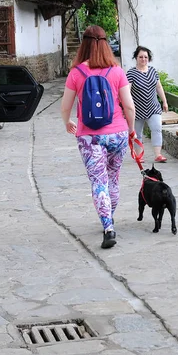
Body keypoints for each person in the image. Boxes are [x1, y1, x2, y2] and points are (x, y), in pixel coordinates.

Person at [60, 25, 136, 249]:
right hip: (118, 132)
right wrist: (131, 130)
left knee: (98, 182)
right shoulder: (117, 71)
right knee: (113, 178)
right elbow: (129, 106)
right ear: (105, 44)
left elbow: (66, 106)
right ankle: (108, 217)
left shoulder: (76, 73)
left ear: (83, 44)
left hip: (89, 136)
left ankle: (108, 226)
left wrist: (68, 122)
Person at [126, 46, 169, 163]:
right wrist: (126, 106)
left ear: (149, 58)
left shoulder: (153, 71)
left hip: (153, 107)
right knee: (137, 134)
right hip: (137, 109)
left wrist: (164, 101)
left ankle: (158, 154)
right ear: (136, 58)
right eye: (141, 57)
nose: (143, 59)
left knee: (157, 129)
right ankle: (139, 156)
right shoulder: (131, 73)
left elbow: (159, 87)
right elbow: (127, 91)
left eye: (146, 57)